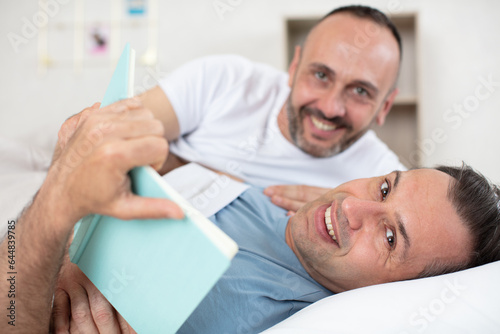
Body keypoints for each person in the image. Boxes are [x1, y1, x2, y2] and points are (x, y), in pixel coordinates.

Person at [2, 99, 499, 333]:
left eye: (390, 237)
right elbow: (172, 167)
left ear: (403, 290)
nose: (350, 207)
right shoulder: (288, 208)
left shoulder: (269, 318)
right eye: (385, 187)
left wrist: (58, 214)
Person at [138, 5, 406, 213]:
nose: (330, 107)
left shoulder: (384, 180)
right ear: (294, 67)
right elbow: (111, 134)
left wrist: (344, 212)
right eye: (321, 75)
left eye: (361, 91)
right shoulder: (223, 81)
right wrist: (237, 192)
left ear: (385, 107)